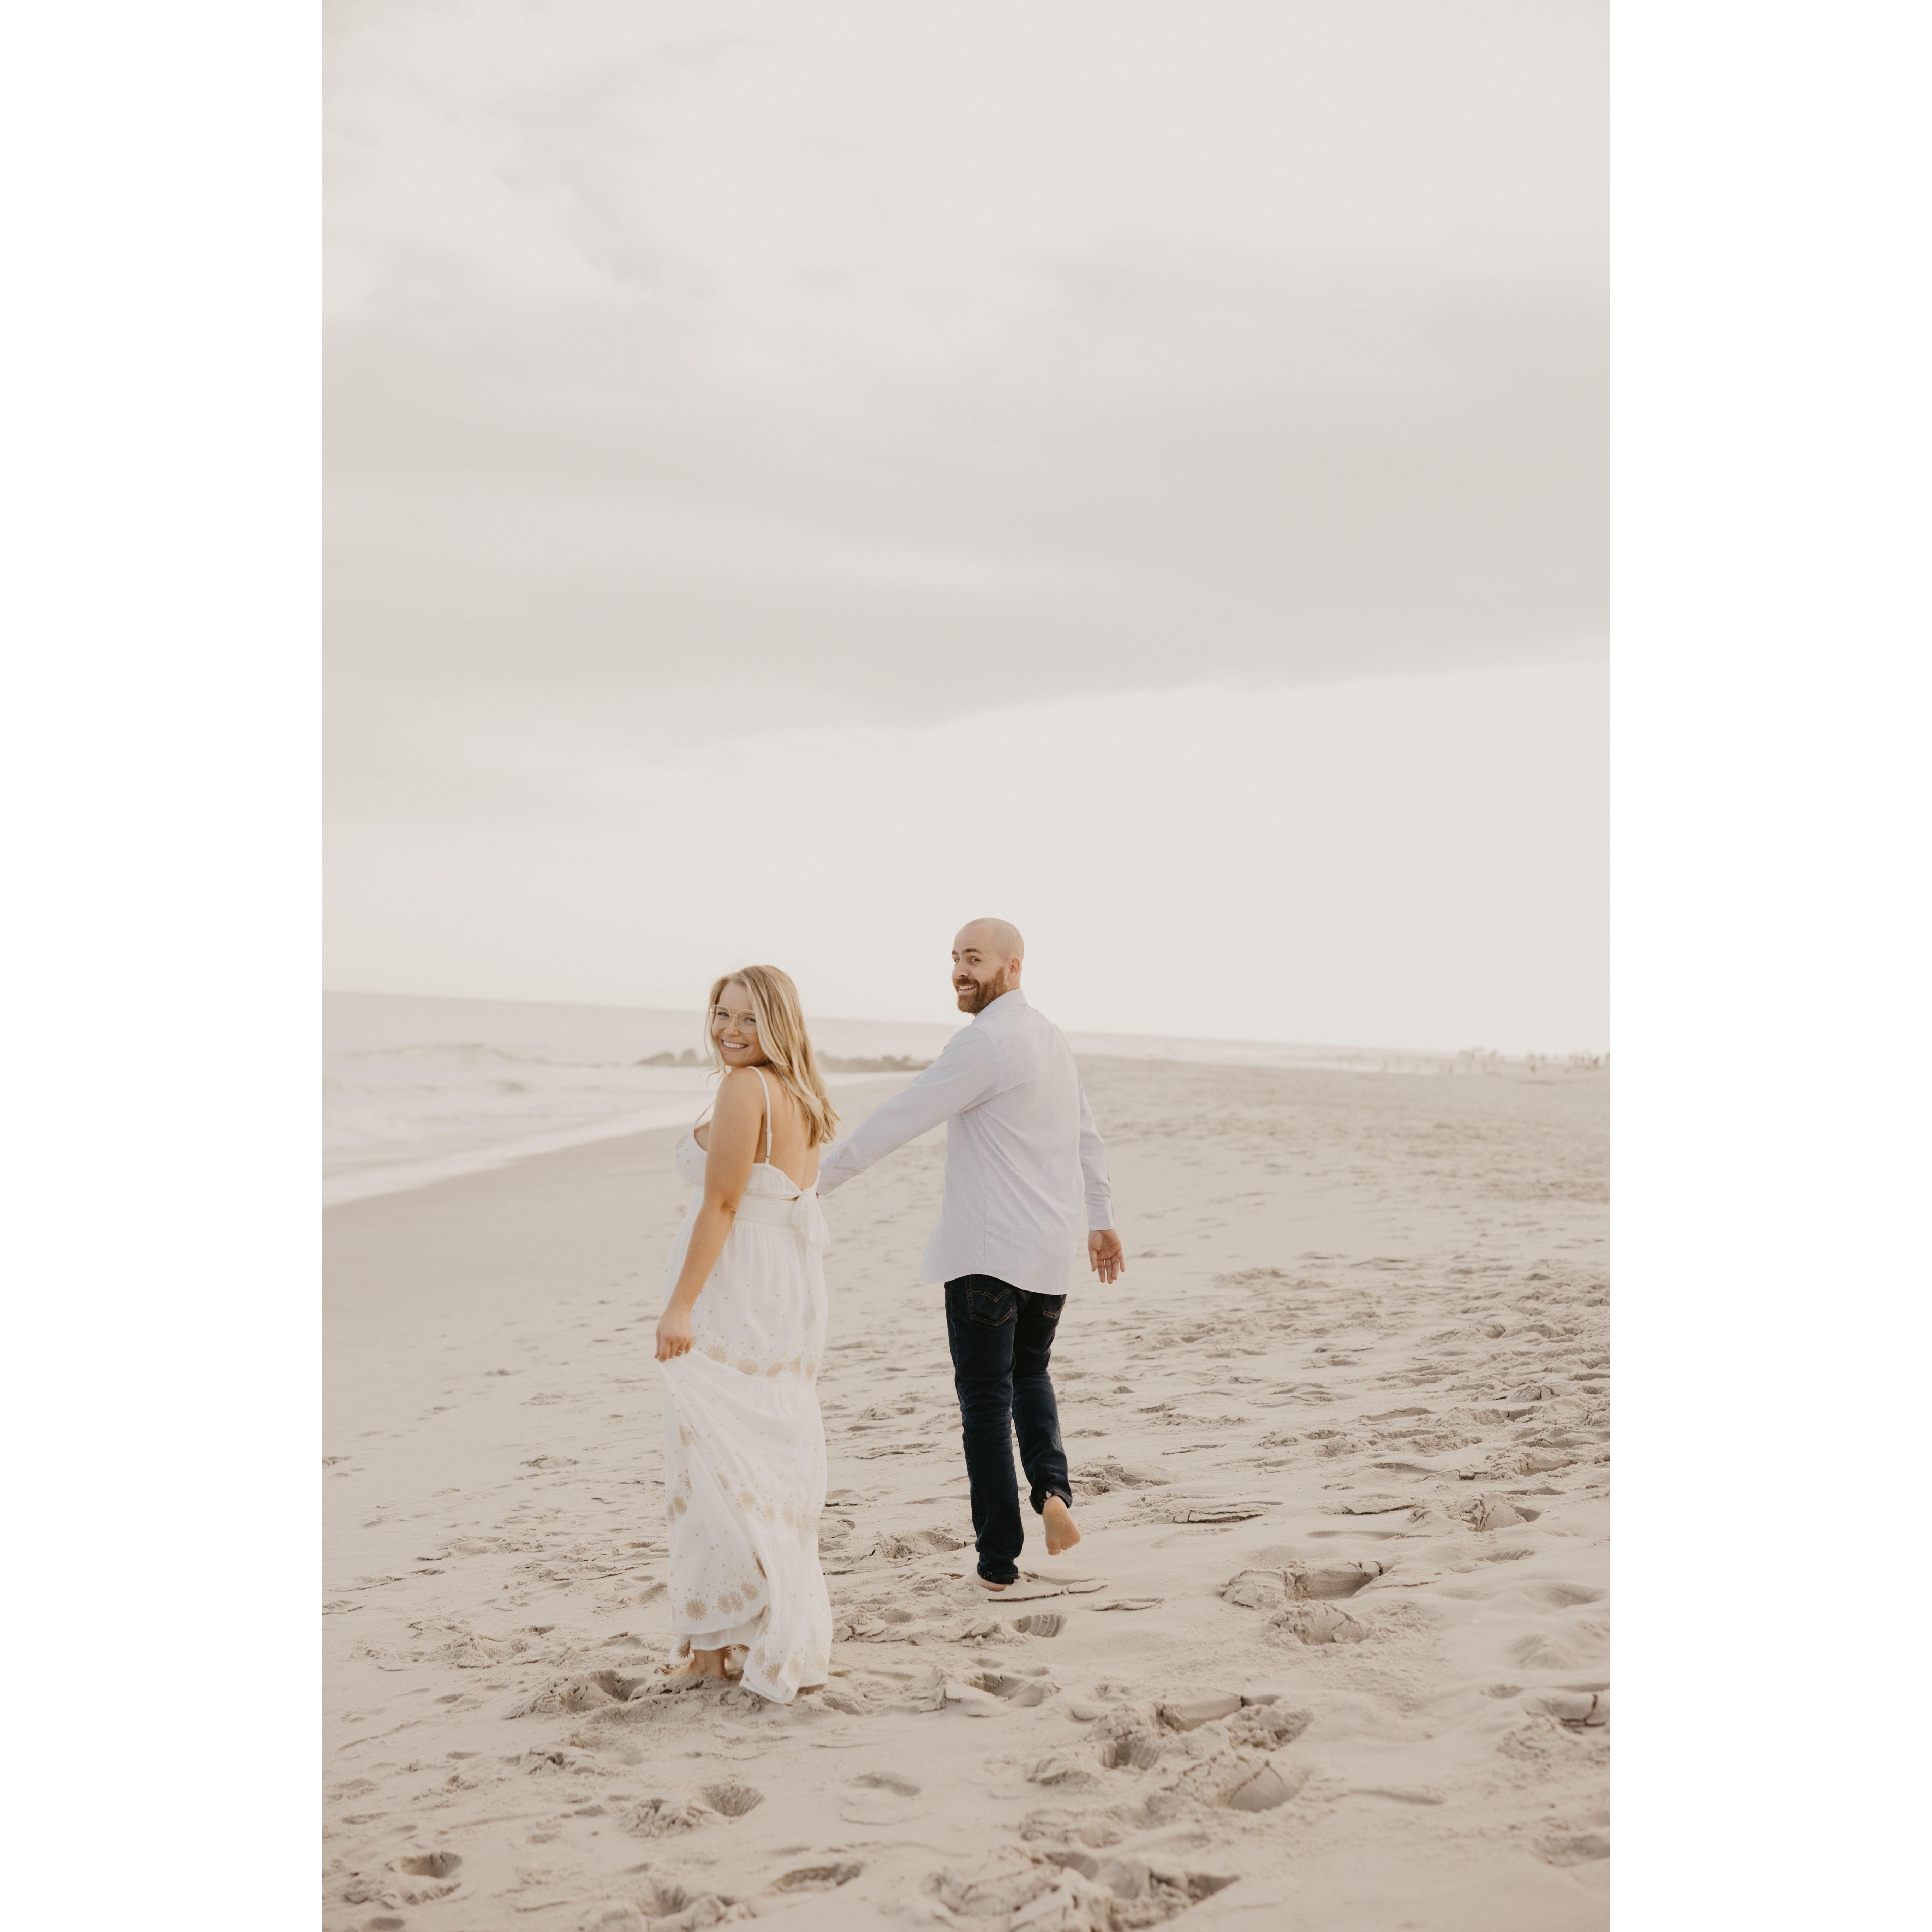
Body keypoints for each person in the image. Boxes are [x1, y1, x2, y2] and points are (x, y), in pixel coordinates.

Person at [816, 919, 1124, 1593]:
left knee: (985, 1403)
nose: (960, 970)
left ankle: (998, 1563)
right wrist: (1101, 1218)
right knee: (1031, 1376)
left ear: (1013, 967)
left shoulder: (984, 1042)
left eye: (975, 959)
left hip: (986, 1256)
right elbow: (1087, 1134)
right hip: (1048, 1252)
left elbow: (902, 1116)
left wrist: (811, 1184)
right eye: (955, 957)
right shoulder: (1051, 1037)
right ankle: (1052, 1492)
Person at [652, 964, 838, 1701]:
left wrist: (681, 1306)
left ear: (778, 1025)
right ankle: (742, 1627)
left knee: (707, 1453)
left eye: (749, 1018)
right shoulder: (803, 1093)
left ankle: (712, 1651)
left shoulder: (744, 1088)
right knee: (755, 1453)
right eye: (722, 1013)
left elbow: (723, 1205)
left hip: (735, 1287)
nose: (729, 1030)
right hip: (781, 1286)